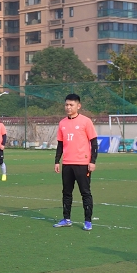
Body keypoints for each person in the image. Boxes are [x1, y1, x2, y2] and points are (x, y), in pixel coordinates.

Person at [54, 94, 98, 230]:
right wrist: (57, 161)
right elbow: (60, 144)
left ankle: (88, 221)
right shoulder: (62, 123)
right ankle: (66, 219)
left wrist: (92, 161)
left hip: (82, 164)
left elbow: (94, 143)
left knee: (85, 192)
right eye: (66, 105)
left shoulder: (86, 121)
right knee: (66, 192)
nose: (68, 107)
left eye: (71, 105)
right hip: (67, 163)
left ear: (78, 106)